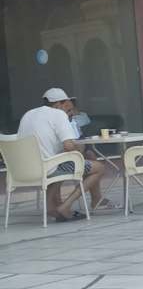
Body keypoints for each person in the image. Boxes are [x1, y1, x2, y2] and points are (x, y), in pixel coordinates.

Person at [16, 88, 104, 220]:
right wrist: (80, 149)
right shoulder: (58, 115)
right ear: (58, 104)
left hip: (23, 169)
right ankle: (65, 206)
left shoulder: (28, 114)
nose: (68, 108)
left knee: (60, 162)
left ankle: (51, 207)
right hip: (48, 168)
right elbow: (69, 147)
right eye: (66, 104)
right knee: (99, 168)